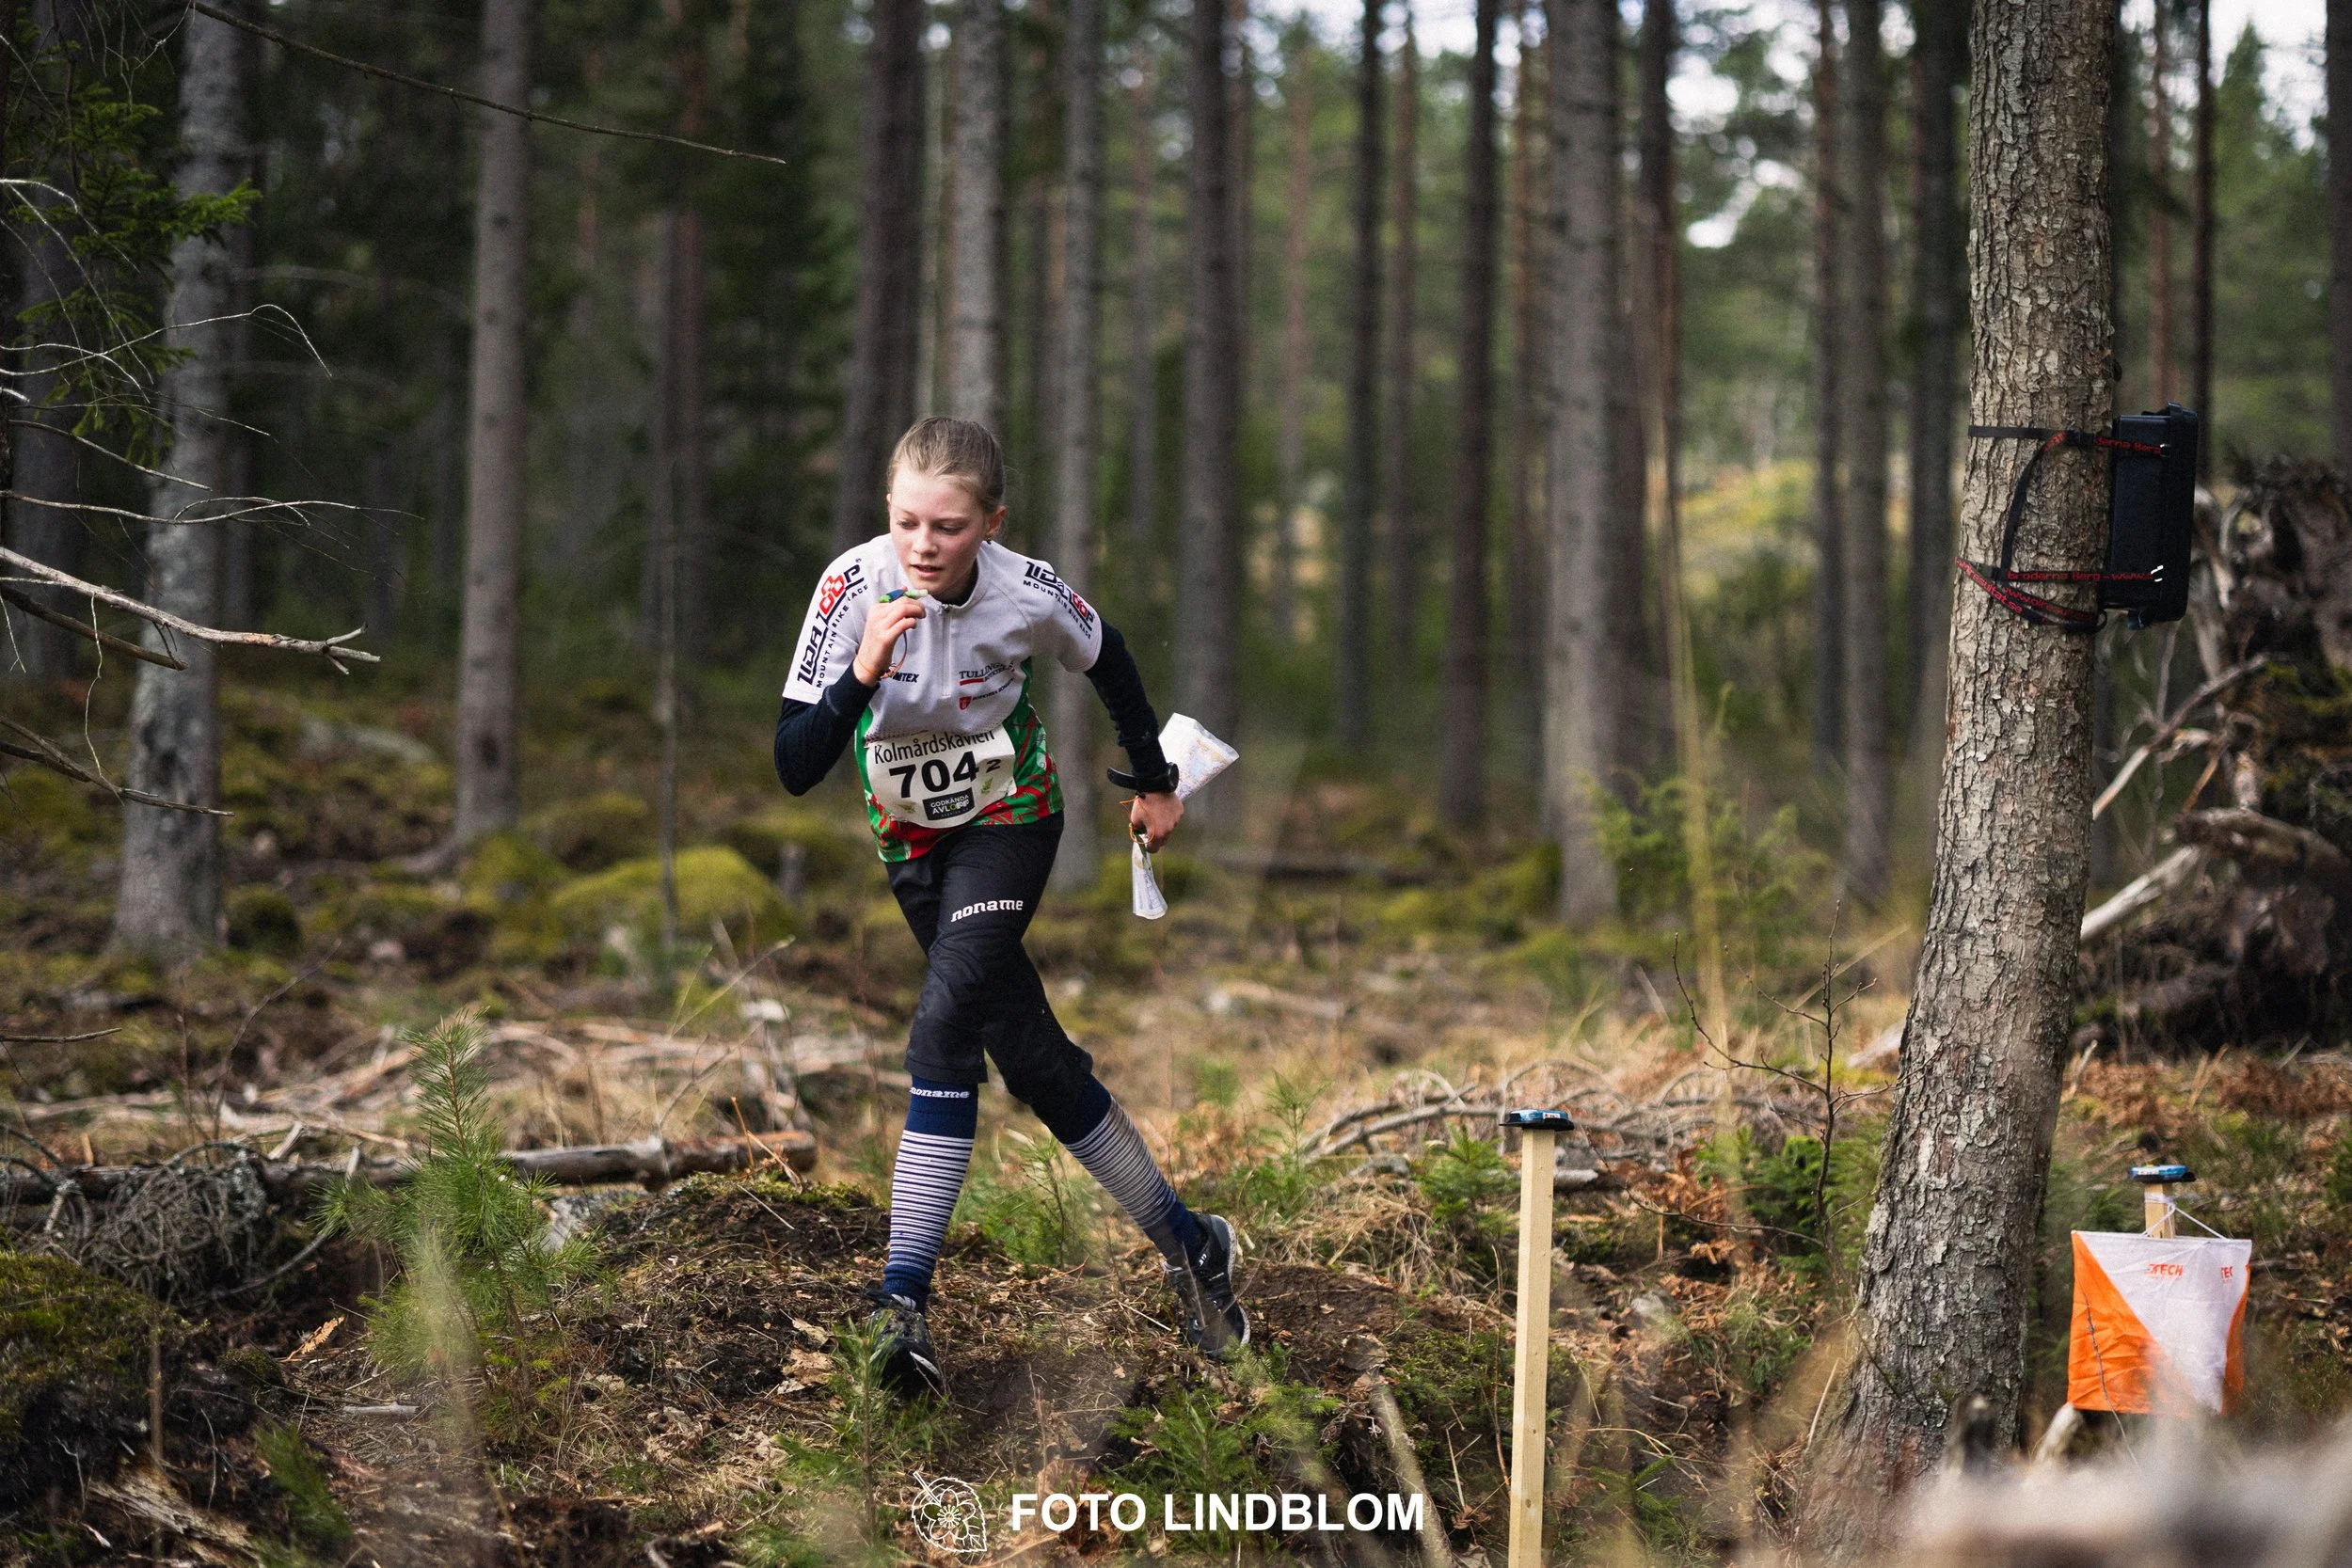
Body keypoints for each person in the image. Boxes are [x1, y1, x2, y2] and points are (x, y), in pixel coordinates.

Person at [774, 416, 1248, 1395]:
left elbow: (1109, 656)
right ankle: (1193, 1246)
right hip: (910, 845)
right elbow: (792, 765)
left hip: (1010, 820)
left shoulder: (1026, 589)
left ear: (990, 523)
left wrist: (1155, 780)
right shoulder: (850, 584)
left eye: (946, 526)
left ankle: (899, 1303)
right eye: (905, 521)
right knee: (1031, 1059)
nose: (921, 545)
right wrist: (861, 669)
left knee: (944, 1023)